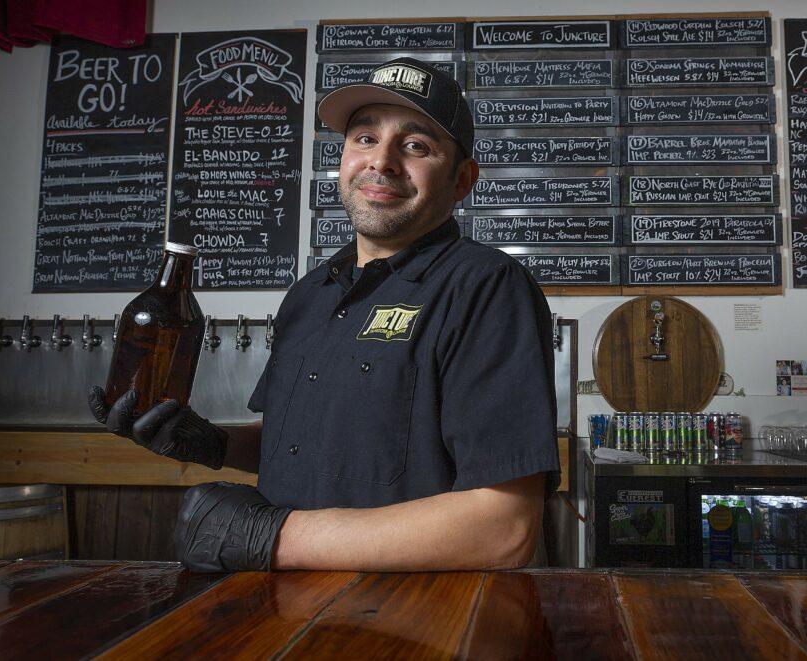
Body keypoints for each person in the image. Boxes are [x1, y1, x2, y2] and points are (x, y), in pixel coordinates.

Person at [88, 57, 561, 573]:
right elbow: (304, 441)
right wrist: (209, 440)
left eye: (416, 146)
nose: (381, 161)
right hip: (283, 616)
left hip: (415, 623)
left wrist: (273, 537)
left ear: (462, 180)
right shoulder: (310, 294)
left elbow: (504, 529)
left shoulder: (485, 288)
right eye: (364, 138)